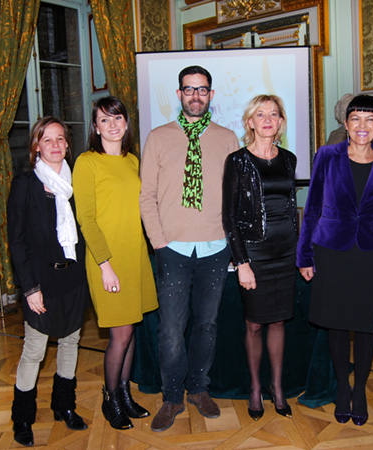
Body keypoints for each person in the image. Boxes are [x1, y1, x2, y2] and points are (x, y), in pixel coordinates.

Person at [140, 65, 240, 432]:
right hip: (172, 249)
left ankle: (199, 388)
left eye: (202, 89)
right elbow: (146, 196)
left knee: (207, 326)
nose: (195, 95)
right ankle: (171, 397)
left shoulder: (228, 138)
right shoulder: (158, 137)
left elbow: (233, 197)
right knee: (169, 329)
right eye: (188, 89)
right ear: (179, 94)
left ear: (211, 95)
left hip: (215, 248)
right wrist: (158, 242)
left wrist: (231, 243)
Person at [297, 95, 373, 426]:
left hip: (371, 253)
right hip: (332, 250)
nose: (362, 126)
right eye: (356, 119)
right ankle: (343, 389)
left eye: (369, 120)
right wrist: (305, 254)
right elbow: (312, 207)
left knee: (366, 325)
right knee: (338, 324)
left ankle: (361, 391)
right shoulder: (327, 156)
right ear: (346, 123)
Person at [73, 97, 158, 430]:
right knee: (120, 334)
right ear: (95, 127)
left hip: (134, 255)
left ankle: (124, 394)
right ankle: (111, 400)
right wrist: (105, 264)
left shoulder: (133, 160)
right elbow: (87, 219)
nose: (112, 125)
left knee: (131, 327)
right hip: (105, 260)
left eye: (117, 118)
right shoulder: (87, 162)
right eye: (104, 120)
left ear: (126, 123)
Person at [7, 117, 90, 447]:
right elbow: (17, 242)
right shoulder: (25, 184)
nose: (55, 145)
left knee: (70, 343)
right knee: (34, 351)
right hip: (39, 283)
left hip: (73, 277)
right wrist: (29, 288)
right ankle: (23, 417)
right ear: (36, 147)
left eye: (60, 139)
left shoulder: (75, 185)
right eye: (47, 139)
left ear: (67, 145)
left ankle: (64, 406)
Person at [223, 95, 297, 420]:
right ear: (250, 122)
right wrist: (242, 262)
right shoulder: (237, 160)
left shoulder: (290, 159)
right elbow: (229, 217)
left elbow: (292, 207)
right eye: (260, 114)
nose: (268, 119)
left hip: (286, 252)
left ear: (280, 122)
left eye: (274, 114)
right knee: (254, 324)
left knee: (279, 321)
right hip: (254, 253)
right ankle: (255, 388)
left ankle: (277, 387)